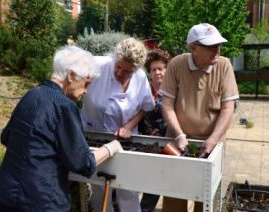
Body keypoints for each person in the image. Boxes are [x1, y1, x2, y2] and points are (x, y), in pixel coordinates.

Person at [0, 45, 123, 212]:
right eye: (86, 84)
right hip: (41, 200)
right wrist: (111, 147)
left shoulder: (31, 94)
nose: (86, 92)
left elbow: (6, 137)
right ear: (71, 76)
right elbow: (82, 163)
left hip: (8, 195)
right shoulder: (64, 106)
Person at [159, 23, 239, 212]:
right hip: (177, 142)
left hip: (212, 143)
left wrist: (212, 140)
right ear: (193, 48)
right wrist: (179, 135)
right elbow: (167, 104)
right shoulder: (177, 64)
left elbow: (228, 108)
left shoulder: (224, 65)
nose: (217, 50)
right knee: (175, 193)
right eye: (210, 46)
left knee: (207, 199)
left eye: (218, 44)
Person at [81, 38, 155, 212]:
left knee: (128, 188)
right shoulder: (97, 65)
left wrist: (129, 126)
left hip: (125, 140)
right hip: (95, 136)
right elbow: (71, 80)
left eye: (127, 71)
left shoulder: (140, 77)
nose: (120, 73)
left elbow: (145, 107)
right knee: (99, 186)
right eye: (118, 67)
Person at [138, 49, 171, 212]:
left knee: (156, 179)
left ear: (166, 69)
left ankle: (145, 209)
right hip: (145, 141)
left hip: (166, 143)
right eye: (153, 69)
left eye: (160, 68)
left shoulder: (173, 90)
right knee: (143, 177)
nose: (157, 72)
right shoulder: (144, 89)